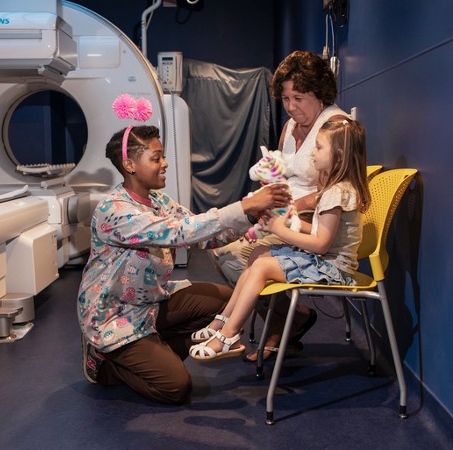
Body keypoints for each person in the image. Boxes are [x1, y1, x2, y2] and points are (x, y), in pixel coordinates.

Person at [78, 124, 290, 404]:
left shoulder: (159, 201)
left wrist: (251, 217)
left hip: (151, 302)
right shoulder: (113, 210)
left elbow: (205, 236)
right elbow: (180, 231)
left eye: (162, 156)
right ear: (130, 165)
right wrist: (244, 206)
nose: (165, 163)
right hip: (116, 316)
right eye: (156, 158)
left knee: (225, 301)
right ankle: (104, 363)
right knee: (175, 387)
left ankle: (153, 350)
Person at [189, 119, 370, 361]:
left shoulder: (336, 192)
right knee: (257, 255)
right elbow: (318, 232)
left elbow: (321, 244)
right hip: (326, 261)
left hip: (334, 268)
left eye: (318, 147)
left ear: (338, 155)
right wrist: (284, 224)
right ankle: (223, 320)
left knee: (262, 266)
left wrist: (279, 229)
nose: (312, 153)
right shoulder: (336, 188)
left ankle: (230, 334)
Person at [211, 50, 349, 361]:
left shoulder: (336, 127)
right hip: (281, 217)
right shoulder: (289, 127)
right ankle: (292, 315)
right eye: (286, 99)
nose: (291, 107)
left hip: (308, 223)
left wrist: (295, 205)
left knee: (236, 258)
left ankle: (278, 322)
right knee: (220, 250)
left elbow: (337, 190)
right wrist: (266, 201)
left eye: (299, 97)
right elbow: (280, 173)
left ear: (320, 91)